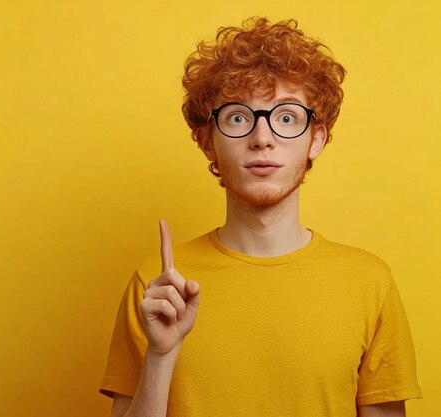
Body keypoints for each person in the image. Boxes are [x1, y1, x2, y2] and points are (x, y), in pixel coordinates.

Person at [99, 17, 422, 417]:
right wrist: (161, 355)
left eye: (286, 118)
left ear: (315, 139)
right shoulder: (159, 286)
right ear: (207, 142)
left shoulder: (369, 282)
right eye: (238, 118)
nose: (262, 138)